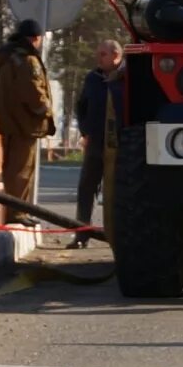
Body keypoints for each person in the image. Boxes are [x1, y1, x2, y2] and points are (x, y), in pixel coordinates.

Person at [0, 19, 55, 221]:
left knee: (12, 170)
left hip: (11, 123)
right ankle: (17, 213)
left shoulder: (9, 58)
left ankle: (17, 211)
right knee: (22, 171)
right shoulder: (28, 60)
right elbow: (33, 92)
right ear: (36, 38)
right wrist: (46, 110)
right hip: (25, 125)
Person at [70, 40, 123, 249]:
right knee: (86, 188)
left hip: (119, 145)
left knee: (118, 191)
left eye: (103, 54)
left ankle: (118, 236)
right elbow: (82, 106)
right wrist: (85, 131)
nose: (98, 58)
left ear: (116, 56)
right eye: (98, 53)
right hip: (95, 142)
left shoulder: (125, 78)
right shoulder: (93, 78)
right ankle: (82, 234)